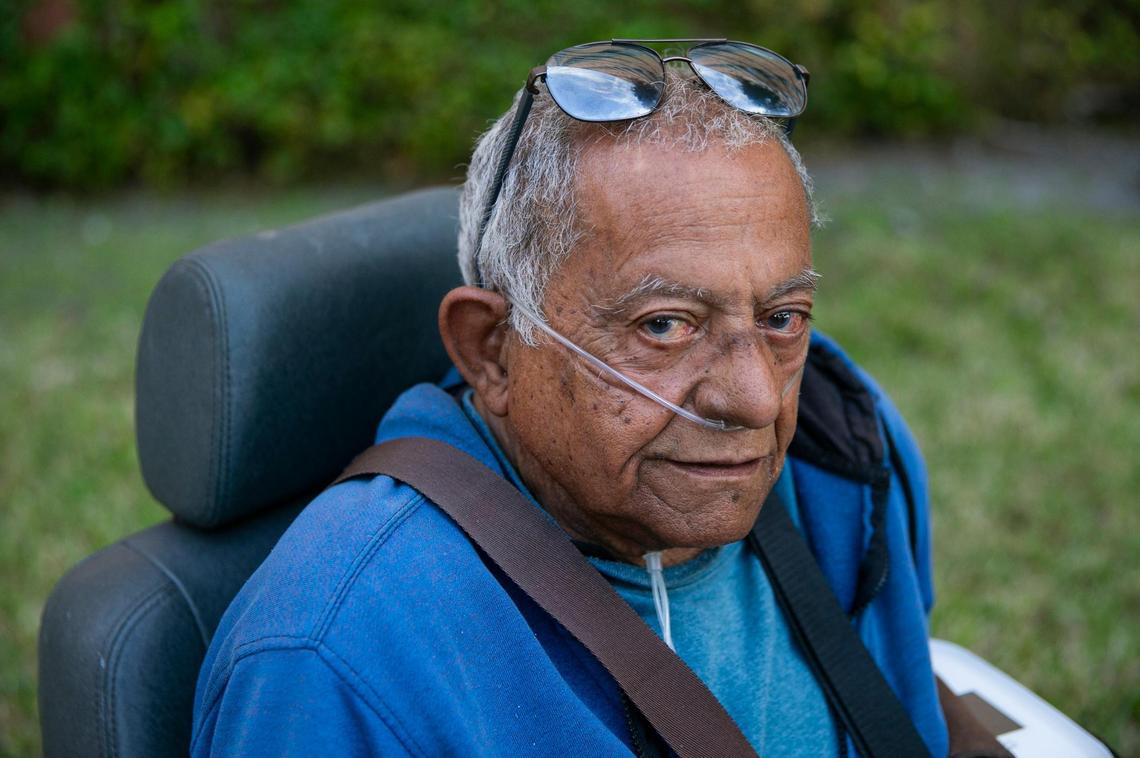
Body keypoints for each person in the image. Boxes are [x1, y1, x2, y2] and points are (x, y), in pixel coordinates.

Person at [192, 41, 950, 756]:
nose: (756, 399)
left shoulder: (845, 449)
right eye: (665, 326)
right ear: (491, 349)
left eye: (781, 318)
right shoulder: (337, 656)